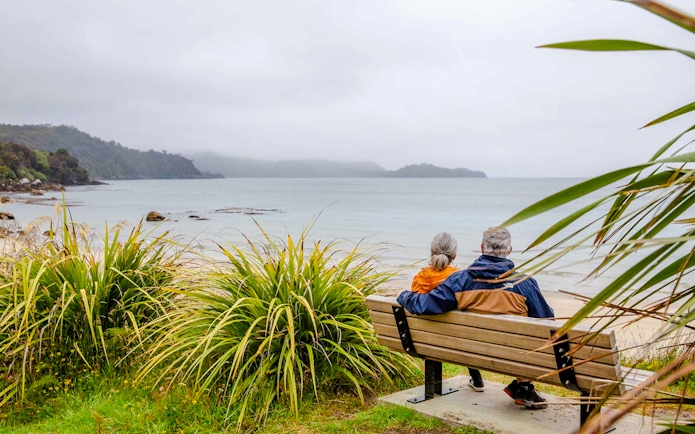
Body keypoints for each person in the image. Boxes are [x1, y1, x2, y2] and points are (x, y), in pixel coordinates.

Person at [397, 227, 554, 409]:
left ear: (481, 248)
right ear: (510, 250)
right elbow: (547, 321)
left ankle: (523, 388)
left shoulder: (459, 281)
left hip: (472, 351)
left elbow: (425, 304)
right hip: (514, 355)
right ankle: (524, 386)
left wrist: (404, 295)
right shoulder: (525, 284)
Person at [410, 232, 485, 392]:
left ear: (431, 253)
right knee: (463, 332)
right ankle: (477, 378)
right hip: (456, 339)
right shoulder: (460, 278)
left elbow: (416, 302)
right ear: (455, 255)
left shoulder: (420, 278)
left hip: (425, 339)